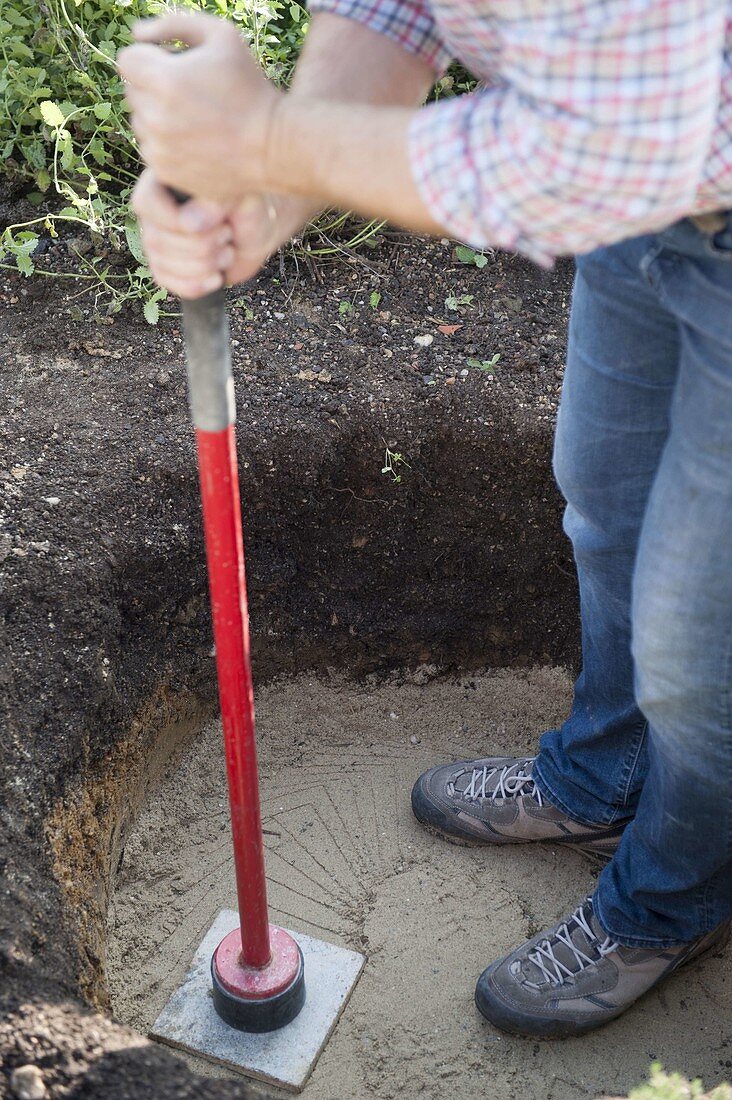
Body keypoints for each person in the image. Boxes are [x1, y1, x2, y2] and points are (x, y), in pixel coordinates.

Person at [118, 0, 732, 1039]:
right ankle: (601, 774)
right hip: (654, 201)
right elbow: (390, 9)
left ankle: (676, 893)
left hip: (659, 160)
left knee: (698, 630)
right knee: (605, 502)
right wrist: (267, 194)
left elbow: (605, 153)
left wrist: (264, 135)